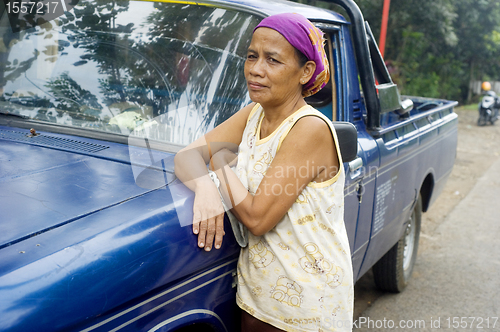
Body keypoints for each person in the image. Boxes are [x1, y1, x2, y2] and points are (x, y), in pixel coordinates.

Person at [174, 12, 353, 332]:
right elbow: (187, 156)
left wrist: (217, 166)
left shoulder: (309, 128)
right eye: (252, 56)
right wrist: (205, 187)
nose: (256, 69)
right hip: (259, 297)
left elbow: (258, 218)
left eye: (273, 60)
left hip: (305, 310)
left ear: (305, 71)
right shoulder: (254, 114)